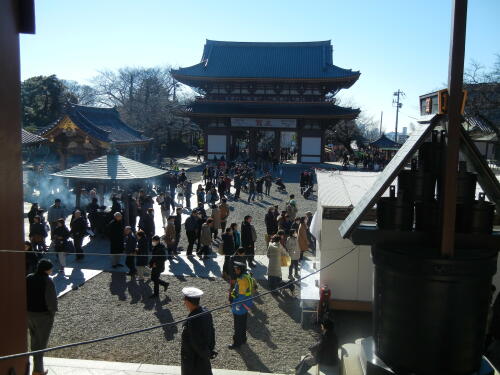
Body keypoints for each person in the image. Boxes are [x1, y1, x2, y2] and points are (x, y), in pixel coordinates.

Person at [26, 259, 58, 375]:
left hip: (29, 314)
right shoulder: (47, 281)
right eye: (50, 268)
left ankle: (36, 368)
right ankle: (38, 370)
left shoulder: (29, 277)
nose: (51, 270)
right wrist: (52, 313)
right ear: (46, 269)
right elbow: (51, 300)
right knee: (41, 343)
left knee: (34, 340)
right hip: (43, 315)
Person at [181, 287, 216, 375]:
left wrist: (204, 354)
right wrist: (209, 351)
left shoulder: (193, 320)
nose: (184, 302)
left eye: (184, 300)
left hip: (194, 361)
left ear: (188, 302)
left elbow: (196, 342)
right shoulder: (206, 312)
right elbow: (212, 332)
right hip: (204, 356)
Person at [228, 262, 255, 349]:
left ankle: (237, 343)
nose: (235, 270)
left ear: (240, 270)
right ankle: (243, 339)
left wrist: (235, 305)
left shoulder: (242, 280)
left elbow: (241, 295)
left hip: (240, 306)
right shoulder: (246, 276)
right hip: (246, 304)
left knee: (238, 325)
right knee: (243, 323)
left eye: (236, 269)